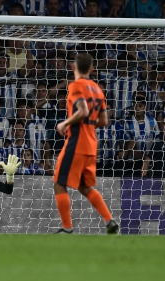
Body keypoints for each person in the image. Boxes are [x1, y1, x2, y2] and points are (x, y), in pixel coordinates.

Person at [53, 53, 119, 234]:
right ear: (92, 69)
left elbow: (82, 111)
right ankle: (109, 220)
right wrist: (88, 123)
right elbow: (104, 120)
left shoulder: (76, 86)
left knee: (59, 183)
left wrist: (65, 123)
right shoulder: (98, 89)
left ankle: (67, 229)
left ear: (73, 67)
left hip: (77, 143)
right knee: (84, 186)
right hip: (91, 145)